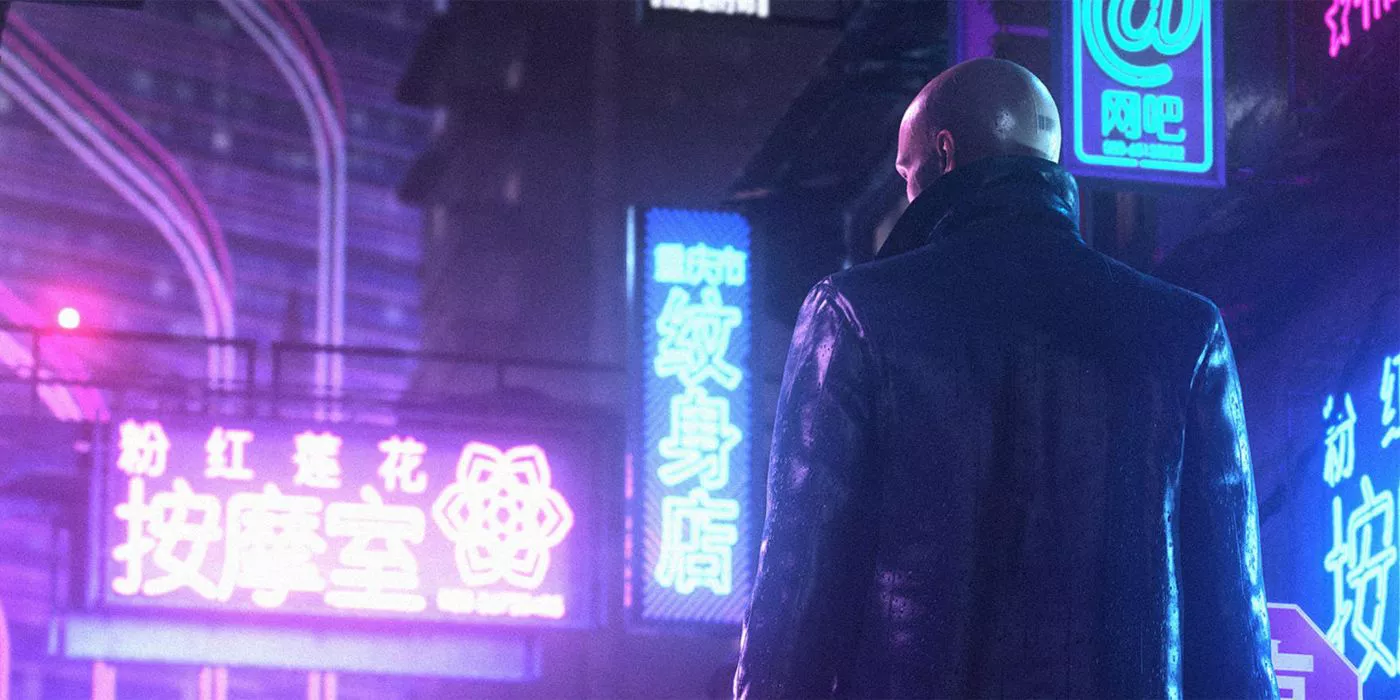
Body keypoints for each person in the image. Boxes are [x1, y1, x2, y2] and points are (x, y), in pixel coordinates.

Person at [734, 58, 1278, 699]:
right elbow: (1231, 613)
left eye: (908, 173)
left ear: (944, 153)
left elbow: (796, 589)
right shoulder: (1183, 332)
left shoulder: (855, 315)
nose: (907, 191)